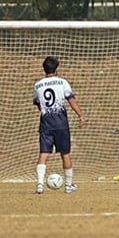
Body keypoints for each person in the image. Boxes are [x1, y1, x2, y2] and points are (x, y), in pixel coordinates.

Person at [33, 56, 85, 194]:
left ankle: (39, 184)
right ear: (56, 70)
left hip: (46, 124)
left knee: (43, 154)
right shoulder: (62, 82)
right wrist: (80, 115)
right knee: (65, 154)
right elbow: (71, 100)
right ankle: (68, 186)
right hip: (61, 124)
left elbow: (38, 104)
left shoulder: (37, 85)